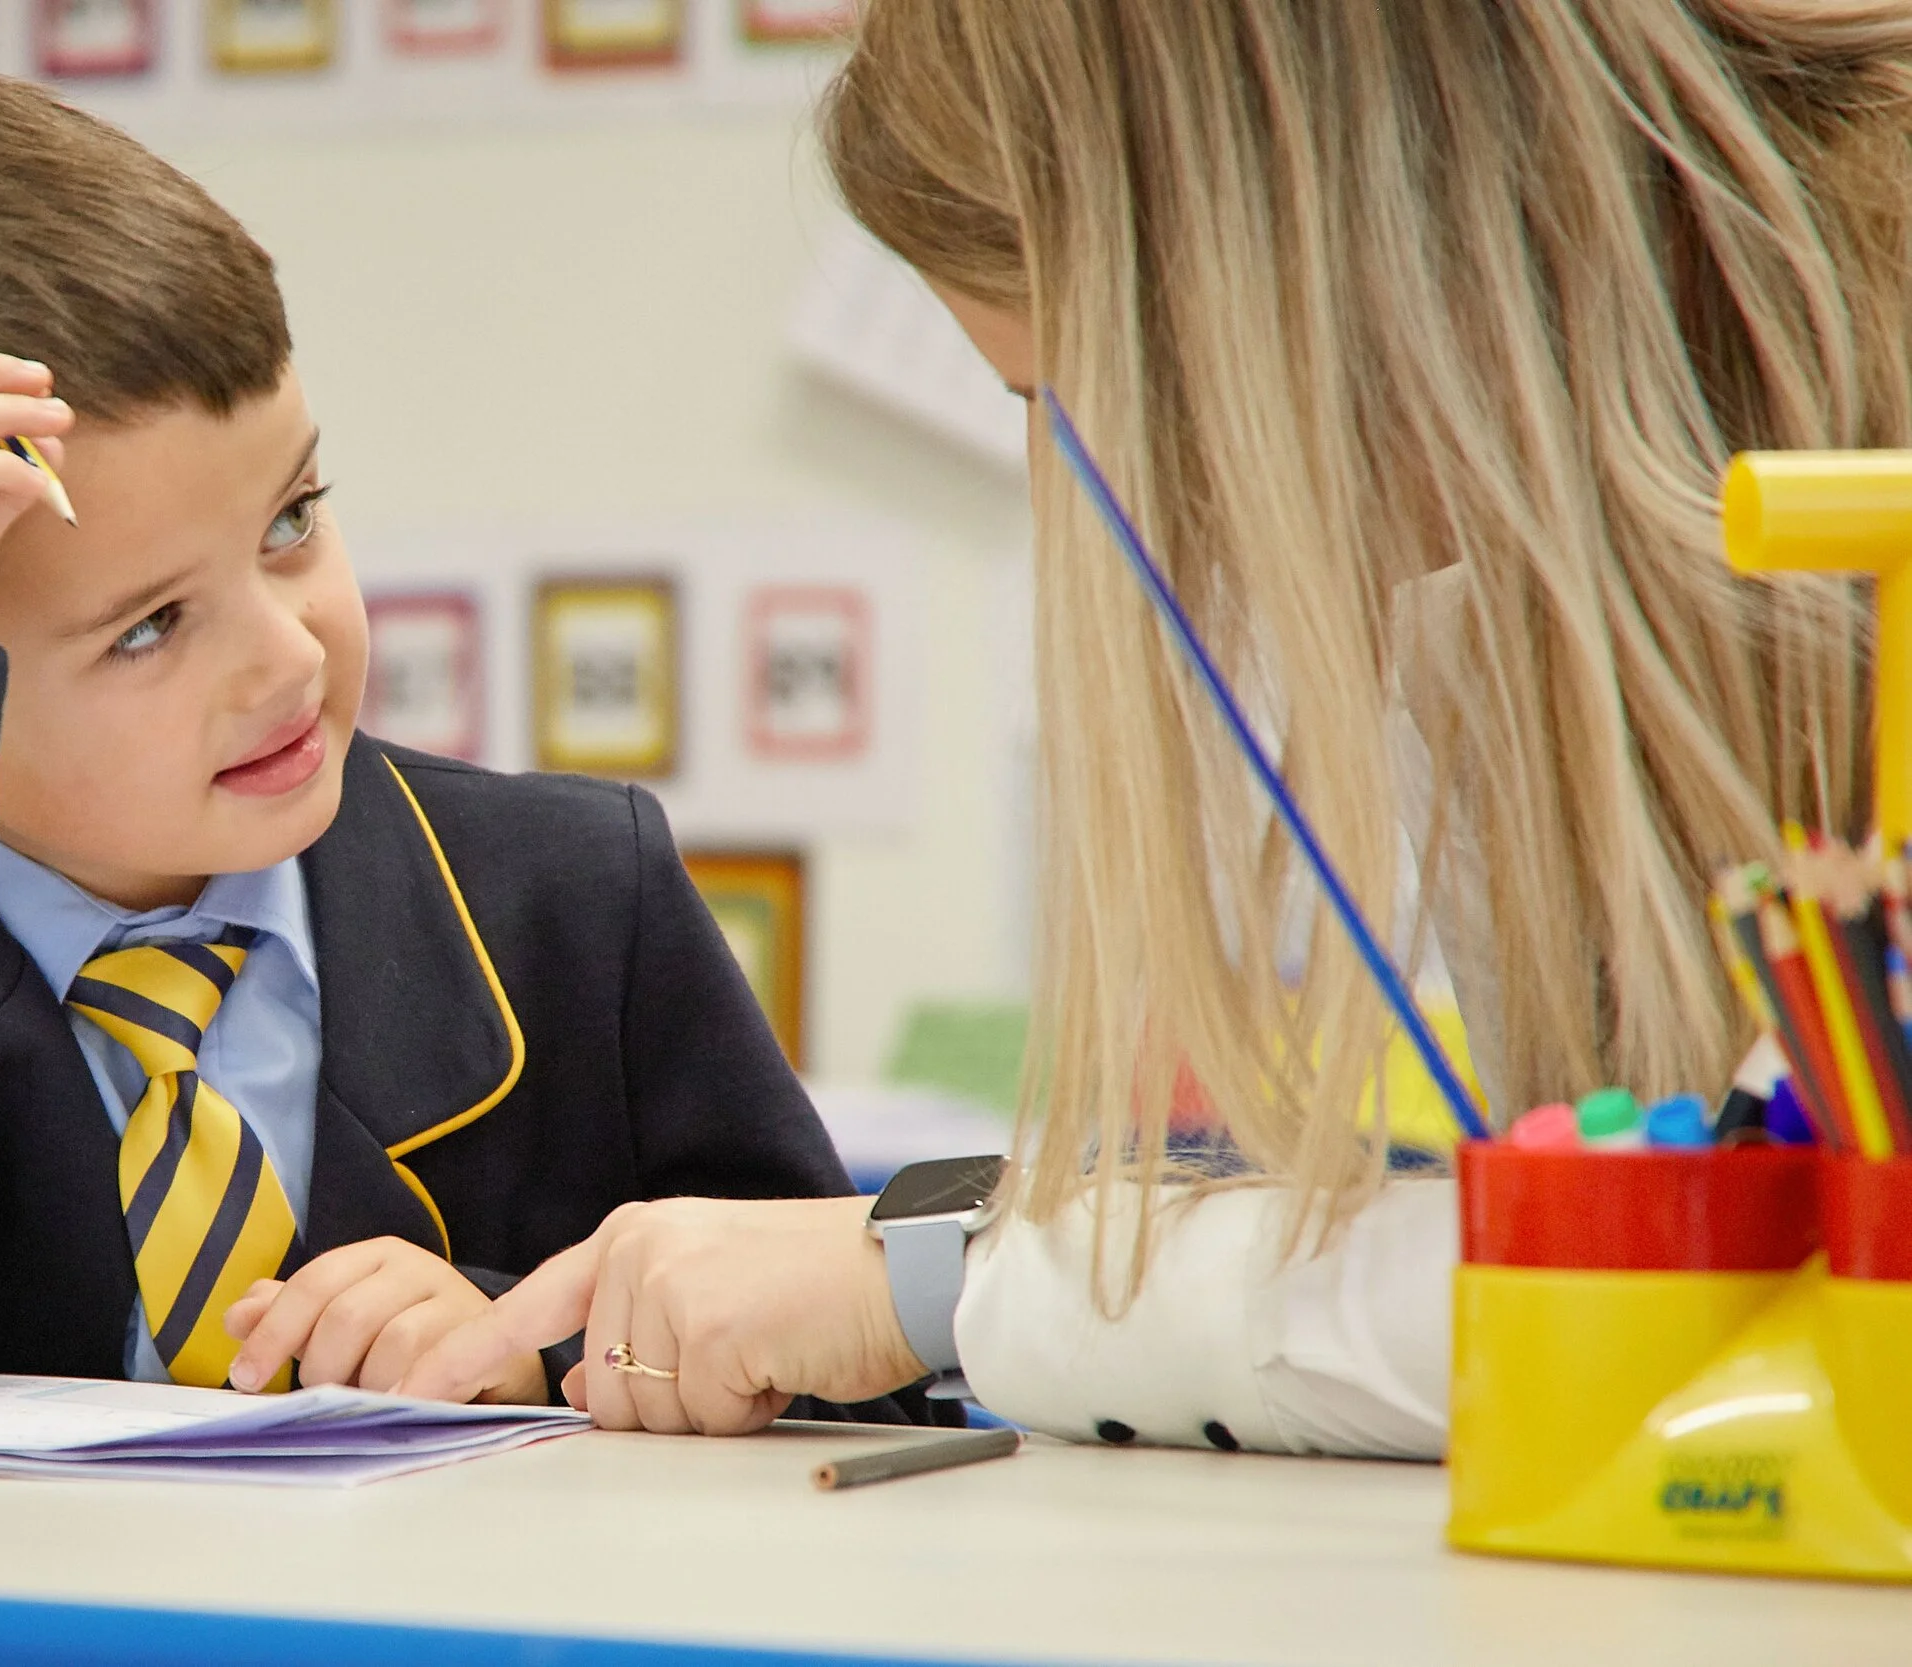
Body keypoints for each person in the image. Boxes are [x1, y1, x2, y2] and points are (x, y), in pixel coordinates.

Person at [403, 0, 1907, 1451]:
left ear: (1283, 261)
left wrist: (943, 1277)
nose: (1149, 508)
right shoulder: (1517, 628)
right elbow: (1607, 1264)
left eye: (1089, 396)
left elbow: (1708, 1303)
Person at [0, 62, 932, 1424]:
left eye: (292, 521)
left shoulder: (578, 902)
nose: (290, 654)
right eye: (148, 627)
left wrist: (536, 1353)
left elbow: (861, 1391)